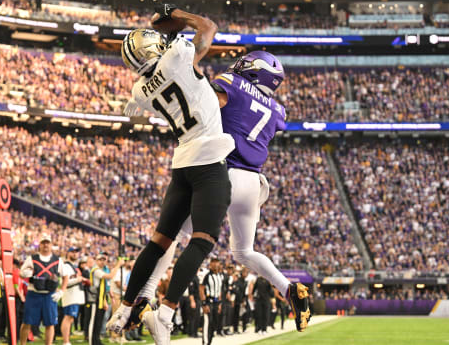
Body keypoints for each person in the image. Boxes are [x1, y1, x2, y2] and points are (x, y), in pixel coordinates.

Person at [114, 47, 312, 334]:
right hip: (253, 184)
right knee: (244, 251)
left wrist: (147, 100)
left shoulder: (232, 84)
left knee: (173, 237)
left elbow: (199, 100)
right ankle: (289, 288)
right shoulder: (278, 111)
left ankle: (144, 297)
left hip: (222, 171)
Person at [107, 4, 235, 345]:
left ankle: (124, 307)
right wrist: (179, 15)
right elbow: (208, 27)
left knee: (158, 242)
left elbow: (175, 70)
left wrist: (166, 30)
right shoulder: (177, 55)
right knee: (202, 241)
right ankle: (166, 313)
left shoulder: (139, 92)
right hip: (208, 159)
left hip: (182, 164)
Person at [19, 234, 69, 345]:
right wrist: (25, 273)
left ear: (51, 245)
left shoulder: (58, 260)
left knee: (50, 324)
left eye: (47, 242)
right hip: (33, 294)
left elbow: (66, 276)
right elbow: (21, 273)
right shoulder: (31, 259)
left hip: (50, 295)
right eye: (43, 243)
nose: (45, 245)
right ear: (40, 245)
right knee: (27, 322)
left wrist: (62, 291)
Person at [87, 255, 121, 345]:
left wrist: (105, 300)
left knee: (99, 321)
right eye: (100, 260)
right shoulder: (96, 270)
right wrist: (118, 265)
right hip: (94, 299)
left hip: (100, 298)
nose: (102, 262)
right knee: (94, 322)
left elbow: (105, 286)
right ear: (96, 261)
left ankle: (97, 341)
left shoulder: (101, 270)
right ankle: (92, 341)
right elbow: (110, 276)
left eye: (104, 260)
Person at [60, 247, 85, 345]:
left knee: (70, 318)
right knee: (68, 318)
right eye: (72, 252)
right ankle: (66, 342)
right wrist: (78, 279)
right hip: (70, 295)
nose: (75, 254)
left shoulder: (72, 266)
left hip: (75, 295)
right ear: (68, 253)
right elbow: (65, 281)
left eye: (76, 252)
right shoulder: (66, 266)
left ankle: (67, 341)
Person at [199, 258, 225, 345]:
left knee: (214, 324)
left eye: (217, 264)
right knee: (207, 324)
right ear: (211, 265)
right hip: (208, 302)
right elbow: (201, 289)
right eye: (214, 264)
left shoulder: (220, 275)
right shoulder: (206, 275)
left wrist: (220, 304)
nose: (216, 266)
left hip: (216, 302)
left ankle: (209, 342)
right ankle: (205, 343)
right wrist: (204, 303)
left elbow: (220, 290)